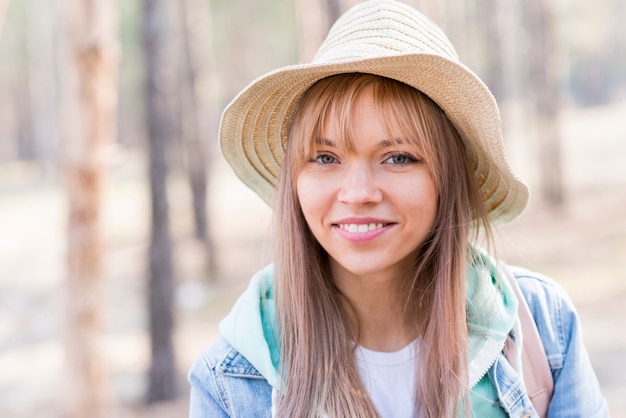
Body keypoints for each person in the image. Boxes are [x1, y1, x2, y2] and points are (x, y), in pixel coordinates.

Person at [188, 1, 609, 417]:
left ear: (448, 177)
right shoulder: (229, 383)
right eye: (325, 157)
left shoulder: (542, 326)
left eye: (398, 157)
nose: (358, 193)